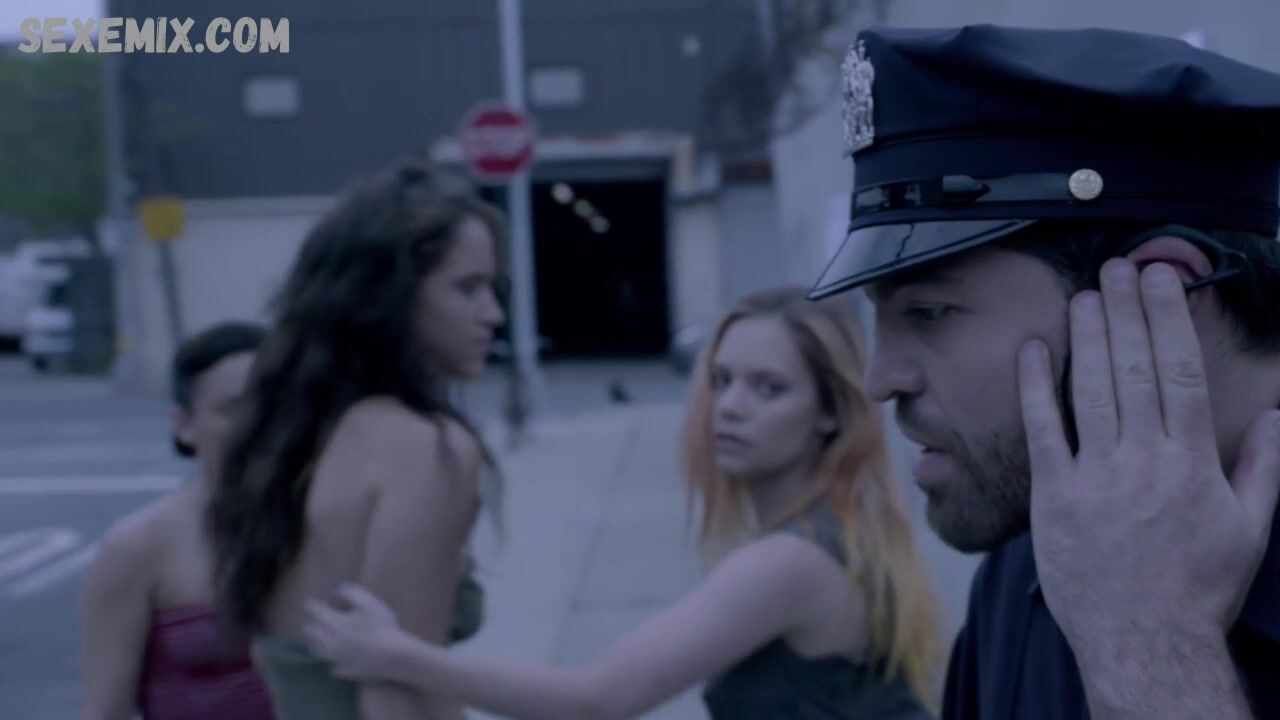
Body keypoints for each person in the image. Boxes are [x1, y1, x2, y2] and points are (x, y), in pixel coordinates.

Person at [806, 25, 1280, 719]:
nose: (881, 381)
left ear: (1160, 293)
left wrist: (1149, 646)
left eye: (930, 312)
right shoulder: (1041, 558)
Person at [300, 286, 944, 719]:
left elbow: (597, 700)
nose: (729, 406)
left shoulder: (791, 562)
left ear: (831, 413)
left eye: (768, 388)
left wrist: (394, 654)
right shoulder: (830, 533)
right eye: (722, 380)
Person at [207, 157, 506, 720]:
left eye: (491, 287)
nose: (493, 313)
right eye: (468, 288)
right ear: (390, 296)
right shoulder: (422, 448)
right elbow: (395, 693)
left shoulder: (290, 435)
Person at [80, 321, 274, 720]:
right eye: (234, 409)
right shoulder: (140, 545)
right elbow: (105, 711)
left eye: (275, 404)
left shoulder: (331, 523)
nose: (258, 424)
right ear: (184, 425)